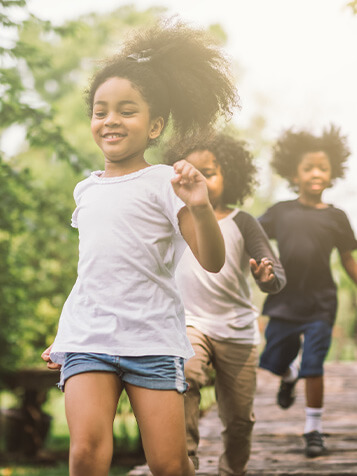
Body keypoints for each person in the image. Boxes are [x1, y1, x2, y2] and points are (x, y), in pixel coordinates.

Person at [41, 20, 239, 476]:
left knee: (169, 464)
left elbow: (212, 260)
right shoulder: (84, 190)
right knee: (86, 455)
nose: (110, 120)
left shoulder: (165, 183)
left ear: (155, 125)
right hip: (89, 338)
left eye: (126, 110)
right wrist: (64, 336)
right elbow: (92, 270)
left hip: (150, 339)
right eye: (100, 110)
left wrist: (201, 205)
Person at [164, 132, 286, 476]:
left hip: (236, 330)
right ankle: (184, 462)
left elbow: (275, 271)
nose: (201, 178)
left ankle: (232, 469)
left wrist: (267, 277)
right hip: (189, 323)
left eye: (211, 171)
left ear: (229, 176)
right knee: (184, 375)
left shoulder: (243, 222)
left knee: (238, 420)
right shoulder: (173, 220)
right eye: (193, 171)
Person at [258, 125, 357, 458]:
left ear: (332, 175)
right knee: (272, 361)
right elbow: (250, 237)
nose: (316, 173)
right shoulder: (280, 212)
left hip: (320, 305)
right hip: (284, 302)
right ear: (294, 175)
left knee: (315, 364)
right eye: (308, 168)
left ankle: (313, 430)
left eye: (323, 168)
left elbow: (347, 259)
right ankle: (289, 376)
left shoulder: (337, 217)